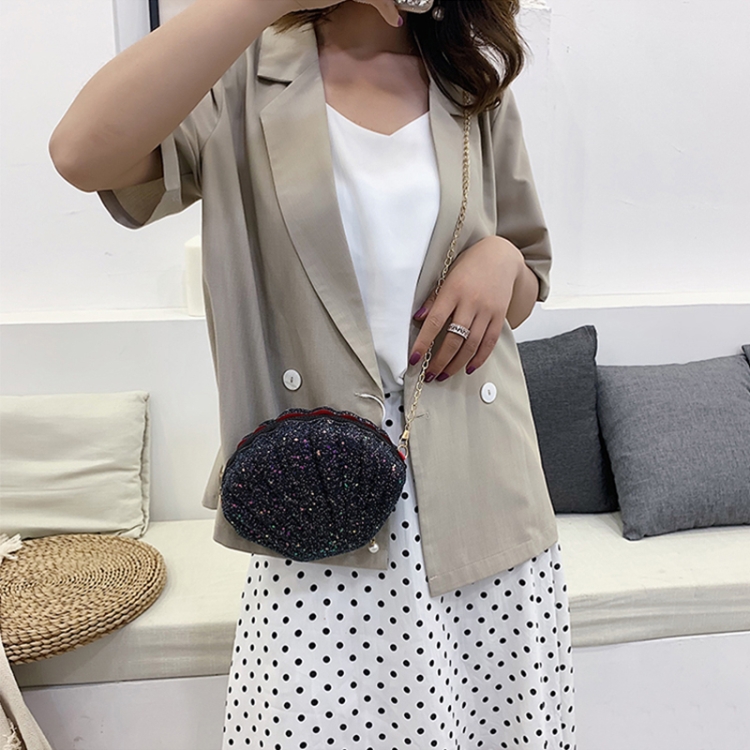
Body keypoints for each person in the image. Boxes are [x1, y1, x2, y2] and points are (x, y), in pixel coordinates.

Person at [50, 0, 577, 746]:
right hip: (316, 492)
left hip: (486, 494)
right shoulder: (242, 76)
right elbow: (80, 153)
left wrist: (499, 260)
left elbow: (527, 276)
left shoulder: (470, 80)